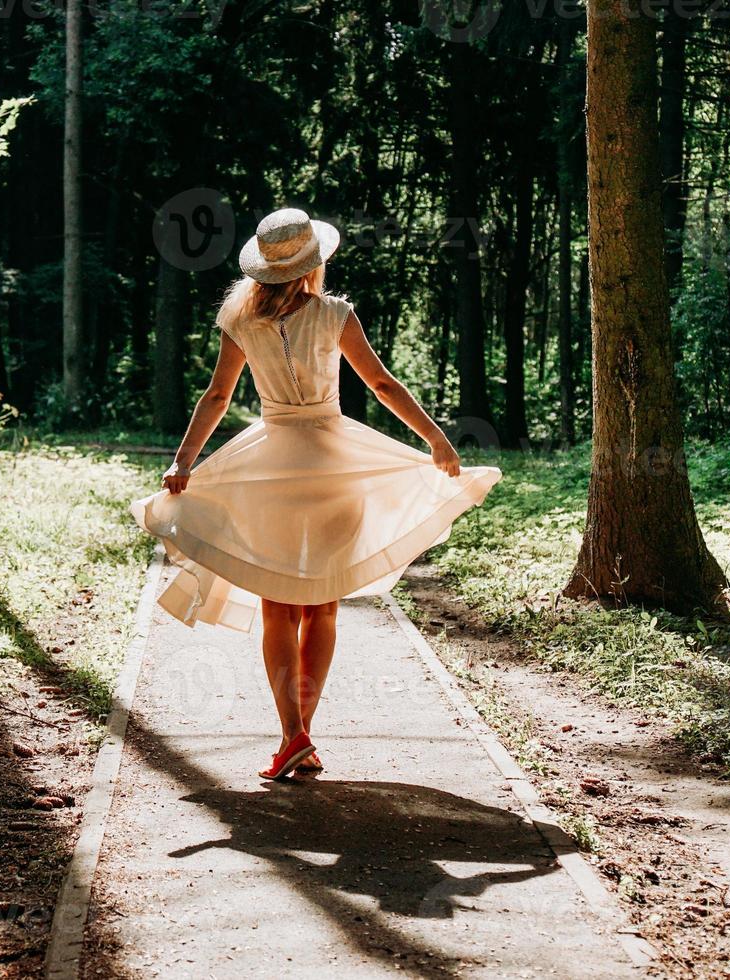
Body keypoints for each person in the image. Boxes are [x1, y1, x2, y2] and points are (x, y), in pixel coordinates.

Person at [131, 208, 501, 780]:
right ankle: (303, 733)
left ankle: (292, 734)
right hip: (333, 463)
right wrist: (436, 440)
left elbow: (216, 396)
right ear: (313, 264)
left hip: (271, 465)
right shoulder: (333, 314)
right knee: (322, 603)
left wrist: (184, 461)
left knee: (279, 605)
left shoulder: (238, 317)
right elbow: (379, 384)